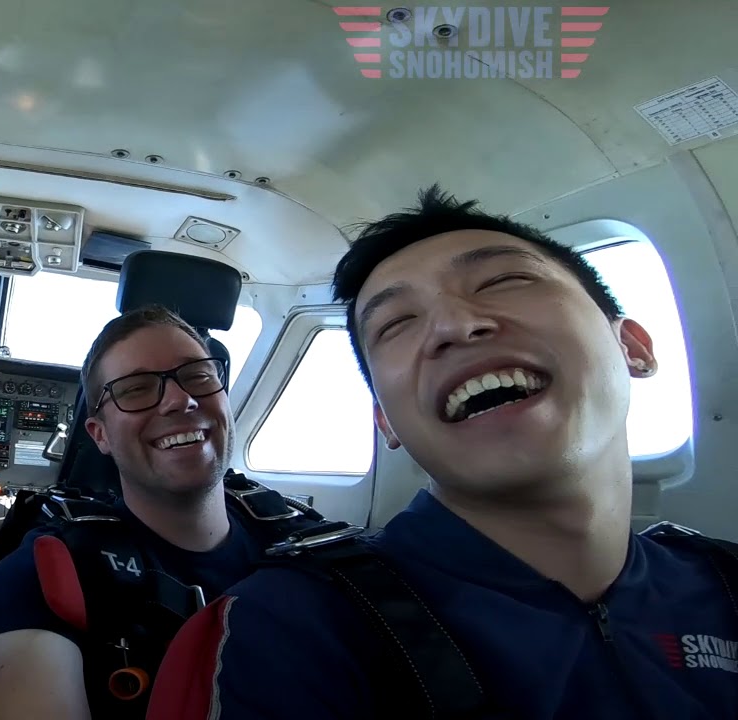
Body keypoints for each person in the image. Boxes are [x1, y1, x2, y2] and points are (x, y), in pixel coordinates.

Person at [146, 185, 738, 719]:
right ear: (386, 421)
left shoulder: (726, 583)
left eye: (504, 281)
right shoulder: (287, 631)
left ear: (632, 345)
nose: (456, 324)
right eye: (398, 323)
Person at [0, 305, 284, 720]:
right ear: (99, 435)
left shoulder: (300, 543)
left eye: (198, 376)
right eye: (136, 388)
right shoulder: (46, 576)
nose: (180, 399)